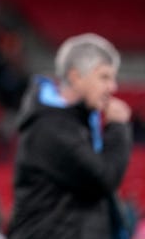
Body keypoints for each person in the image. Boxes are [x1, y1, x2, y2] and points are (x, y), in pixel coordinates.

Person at [7, 33, 133, 238]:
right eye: (104, 77)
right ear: (75, 77)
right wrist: (117, 128)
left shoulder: (74, 123)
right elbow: (104, 179)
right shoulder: (51, 127)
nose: (113, 87)